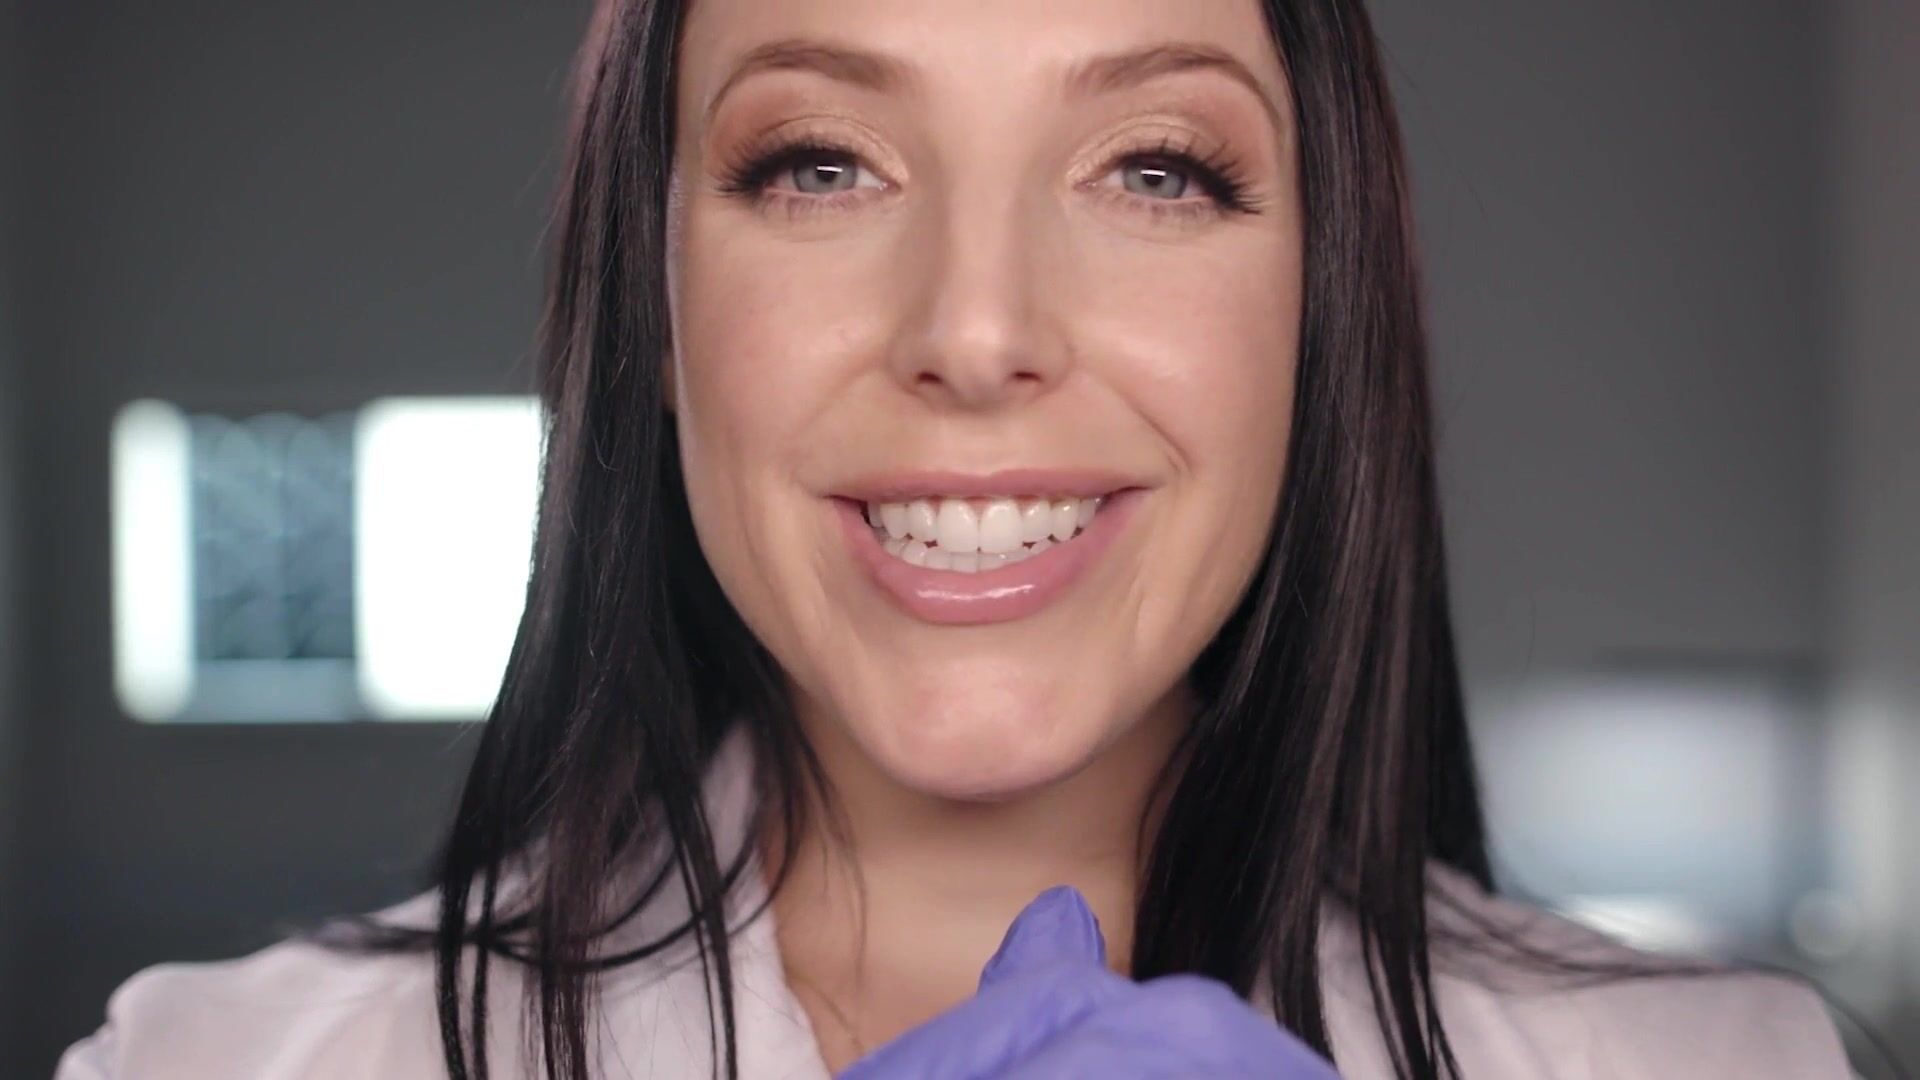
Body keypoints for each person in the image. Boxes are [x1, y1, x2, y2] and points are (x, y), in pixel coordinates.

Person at [58, 1, 1858, 1077]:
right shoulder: (212, 1067)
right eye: (819, 164)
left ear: (1319, 313)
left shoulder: (1715, 1069)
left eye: (1156, 168)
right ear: (656, 310)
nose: (978, 331)